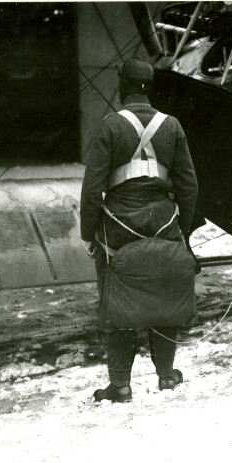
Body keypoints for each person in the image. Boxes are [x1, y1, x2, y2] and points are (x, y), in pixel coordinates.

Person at [80, 58, 199, 403]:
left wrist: (90, 233)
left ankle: (119, 385)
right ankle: (166, 377)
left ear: (123, 85)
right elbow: (189, 187)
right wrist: (182, 231)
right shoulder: (172, 126)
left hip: (117, 225)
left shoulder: (110, 126)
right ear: (150, 86)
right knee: (163, 292)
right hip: (164, 220)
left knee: (119, 300)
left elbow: (92, 190)